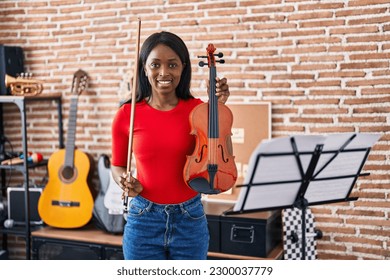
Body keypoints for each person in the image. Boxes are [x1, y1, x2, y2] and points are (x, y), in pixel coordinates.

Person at [111, 31, 231, 260]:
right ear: (144, 68)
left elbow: (222, 156)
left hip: (190, 218)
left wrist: (219, 108)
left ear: (183, 68)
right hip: (143, 219)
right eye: (155, 64)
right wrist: (124, 181)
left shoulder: (200, 110)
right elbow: (117, 166)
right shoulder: (127, 114)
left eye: (172, 65)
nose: (164, 72)